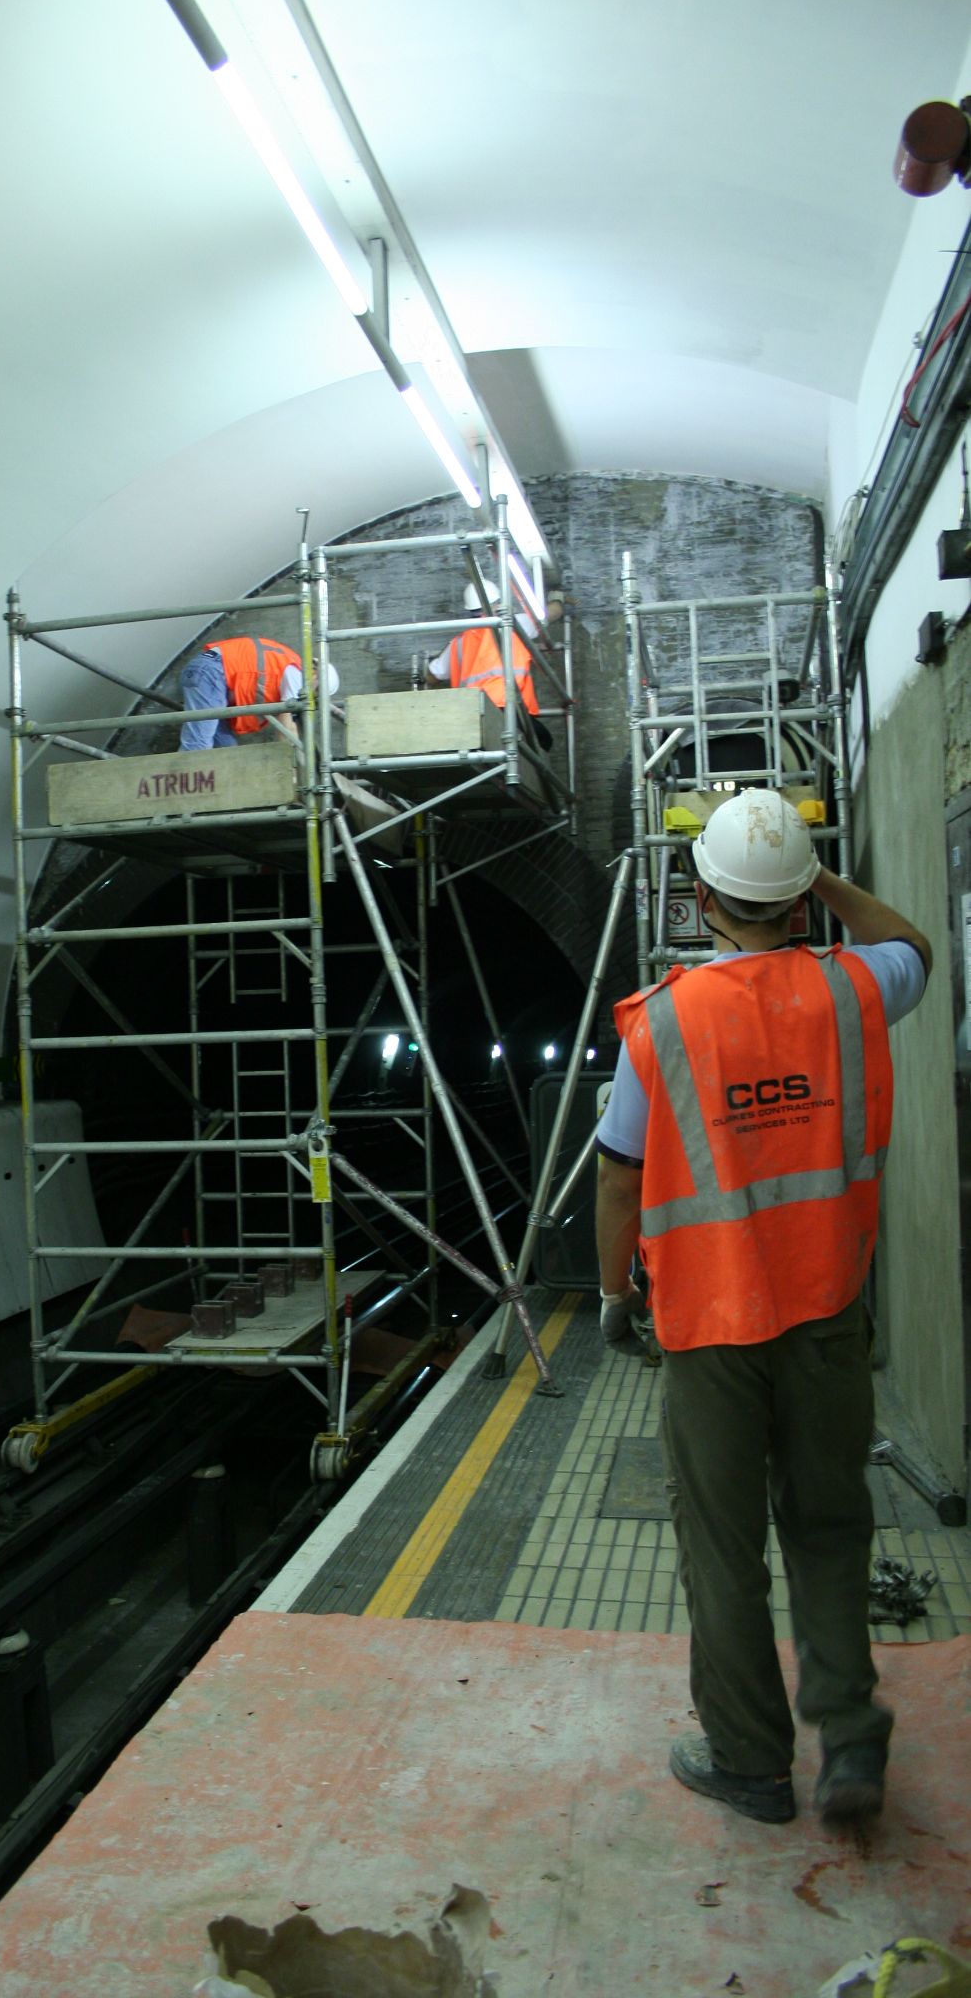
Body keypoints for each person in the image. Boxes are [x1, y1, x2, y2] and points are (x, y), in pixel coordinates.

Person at [592, 787, 930, 1827]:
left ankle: (746, 1758)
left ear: (698, 900)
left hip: (710, 1332)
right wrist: (811, 874)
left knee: (722, 1546)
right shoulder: (854, 989)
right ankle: (849, 1744)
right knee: (828, 1523)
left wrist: (614, 1297)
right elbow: (910, 937)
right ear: (797, 905)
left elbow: (616, 1176)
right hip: (828, 1314)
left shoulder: (668, 1023)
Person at [428, 582, 551, 748]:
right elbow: (546, 616)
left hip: (470, 718)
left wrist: (423, 680)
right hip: (507, 710)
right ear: (498, 603)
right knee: (544, 741)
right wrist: (558, 600)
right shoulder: (512, 625)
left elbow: (433, 676)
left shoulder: (458, 643)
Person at [179, 635, 337, 750]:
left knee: (227, 750)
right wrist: (289, 770)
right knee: (198, 746)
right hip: (212, 674)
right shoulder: (298, 675)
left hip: (214, 677)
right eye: (316, 692)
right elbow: (287, 728)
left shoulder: (289, 664)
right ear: (316, 675)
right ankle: (181, 794)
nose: (310, 698)